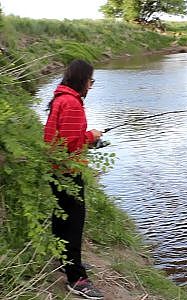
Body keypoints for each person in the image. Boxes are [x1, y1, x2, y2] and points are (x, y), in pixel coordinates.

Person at [44, 59, 103, 299]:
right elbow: (70, 144)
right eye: (90, 81)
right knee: (74, 224)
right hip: (68, 172)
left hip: (56, 170)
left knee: (61, 217)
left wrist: (88, 139)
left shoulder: (61, 98)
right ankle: (76, 279)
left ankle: (65, 259)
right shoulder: (71, 103)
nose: (91, 86)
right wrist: (92, 136)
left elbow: (59, 140)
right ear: (82, 80)